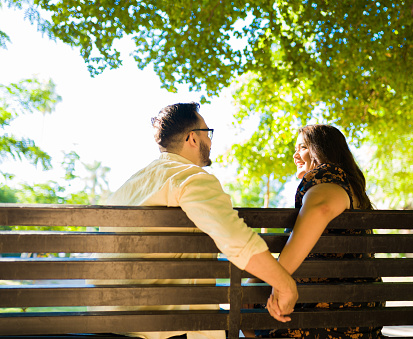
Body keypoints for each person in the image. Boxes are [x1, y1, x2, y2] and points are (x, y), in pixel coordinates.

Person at [95, 102, 298, 339]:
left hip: (108, 324)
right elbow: (234, 238)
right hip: (165, 331)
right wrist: (285, 285)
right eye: (207, 133)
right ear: (193, 138)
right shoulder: (190, 178)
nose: (210, 142)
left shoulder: (127, 188)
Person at [257, 124, 382, 339]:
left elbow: (321, 209)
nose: (295, 155)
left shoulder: (328, 177)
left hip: (324, 318)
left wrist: (278, 282)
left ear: (322, 151)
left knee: (243, 314)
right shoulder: (354, 190)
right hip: (362, 318)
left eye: (302, 147)